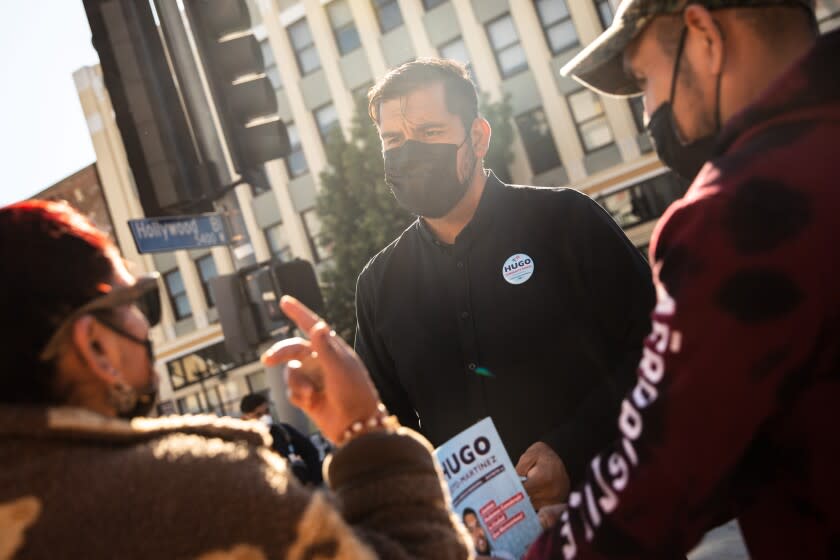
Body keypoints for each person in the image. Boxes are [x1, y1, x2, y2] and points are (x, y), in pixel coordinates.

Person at [524, 0, 839, 557]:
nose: (648, 113)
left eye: (644, 79)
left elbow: (658, 481)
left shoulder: (734, 212)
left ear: (706, 36)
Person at [0, 200, 471, 559]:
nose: (146, 326)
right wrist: (365, 430)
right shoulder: (200, 495)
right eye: (138, 301)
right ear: (95, 347)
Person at [355, 58, 656, 511]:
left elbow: (657, 352)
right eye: (393, 140)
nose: (410, 152)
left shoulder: (567, 222)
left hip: (617, 522)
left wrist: (571, 450)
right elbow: (386, 431)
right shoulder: (378, 286)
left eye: (430, 132)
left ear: (477, 137)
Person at [239, 393, 323, 486]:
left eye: (267, 411)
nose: (265, 417)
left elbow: (311, 452)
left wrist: (312, 482)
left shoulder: (283, 431)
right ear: (245, 418)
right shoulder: (241, 445)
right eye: (258, 414)